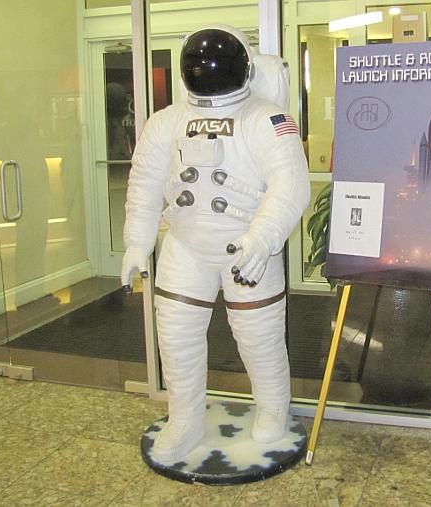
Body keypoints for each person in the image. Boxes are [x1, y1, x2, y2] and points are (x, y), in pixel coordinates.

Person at [120, 25, 310, 464]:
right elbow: (145, 184)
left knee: (257, 338)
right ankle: (184, 420)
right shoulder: (166, 122)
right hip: (185, 245)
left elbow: (290, 184)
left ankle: (272, 410)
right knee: (177, 336)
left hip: (247, 249)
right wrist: (137, 242)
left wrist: (261, 239)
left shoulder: (267, 119)